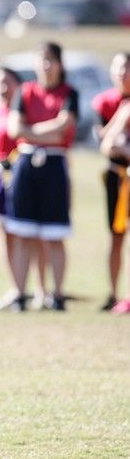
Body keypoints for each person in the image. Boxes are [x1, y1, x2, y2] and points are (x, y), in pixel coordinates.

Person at [6, 42, 78, 312]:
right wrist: (41, 133)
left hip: (55, 164)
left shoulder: (69, 93)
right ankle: (20, 294)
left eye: (51, 60)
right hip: (25, 163)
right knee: (24, 232)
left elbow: (65, 125)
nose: (46, 65)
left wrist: (30, 130)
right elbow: (14, 128)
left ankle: (57, 295)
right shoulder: (24, 92)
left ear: (60, 64)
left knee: (55, 234)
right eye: (41, 59)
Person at [0, 68, 50, 310]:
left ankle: (42, 291)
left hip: (27, 174)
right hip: (1, 176)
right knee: (6, 233)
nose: (3, 87)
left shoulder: (27, 110)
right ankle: (17, 289)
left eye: (8, 82)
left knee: (34, 233)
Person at [92, 52, 130, 312]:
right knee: (116, 235)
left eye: (127, 68)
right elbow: (104, 142)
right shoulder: (105, 102)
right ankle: (114, 293)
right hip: (117, 175)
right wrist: (122, 116)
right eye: (118, 68)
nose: (122, 73)